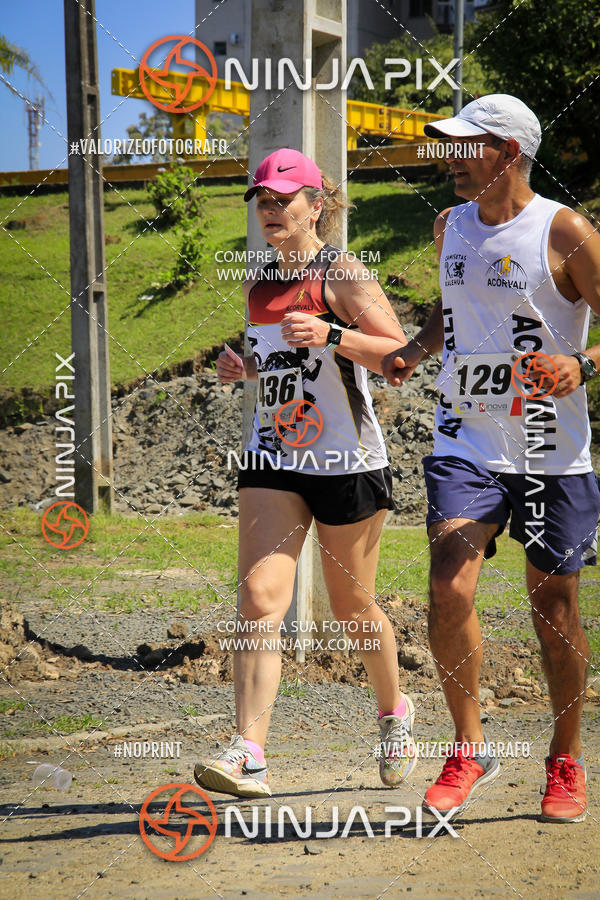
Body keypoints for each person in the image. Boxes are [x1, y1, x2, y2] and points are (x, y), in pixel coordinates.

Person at [382, 94, 600, 823]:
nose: (448, 157)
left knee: (555, 610)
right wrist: (416, 349)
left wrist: (581, 365)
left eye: (463, 145)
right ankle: (468, 746)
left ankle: (564, 757)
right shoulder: (450, 227)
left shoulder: (565, 231)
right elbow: (450, 311)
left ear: (507, 153)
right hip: (466, 436)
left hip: (548, 448)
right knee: (449, 585)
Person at [194, 148, 416, 798]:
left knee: (352, 610)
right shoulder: (258, 283)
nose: (270, 210)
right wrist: (247, 370)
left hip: (347, 462)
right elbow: (279, 360)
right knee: (260, 598)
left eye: (282, 199)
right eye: (262, 200)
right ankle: (249, 751)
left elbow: (401, 359)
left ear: (316, 205)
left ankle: (394, 713)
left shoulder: (344, 274)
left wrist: (331, 334)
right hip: (275, 455)